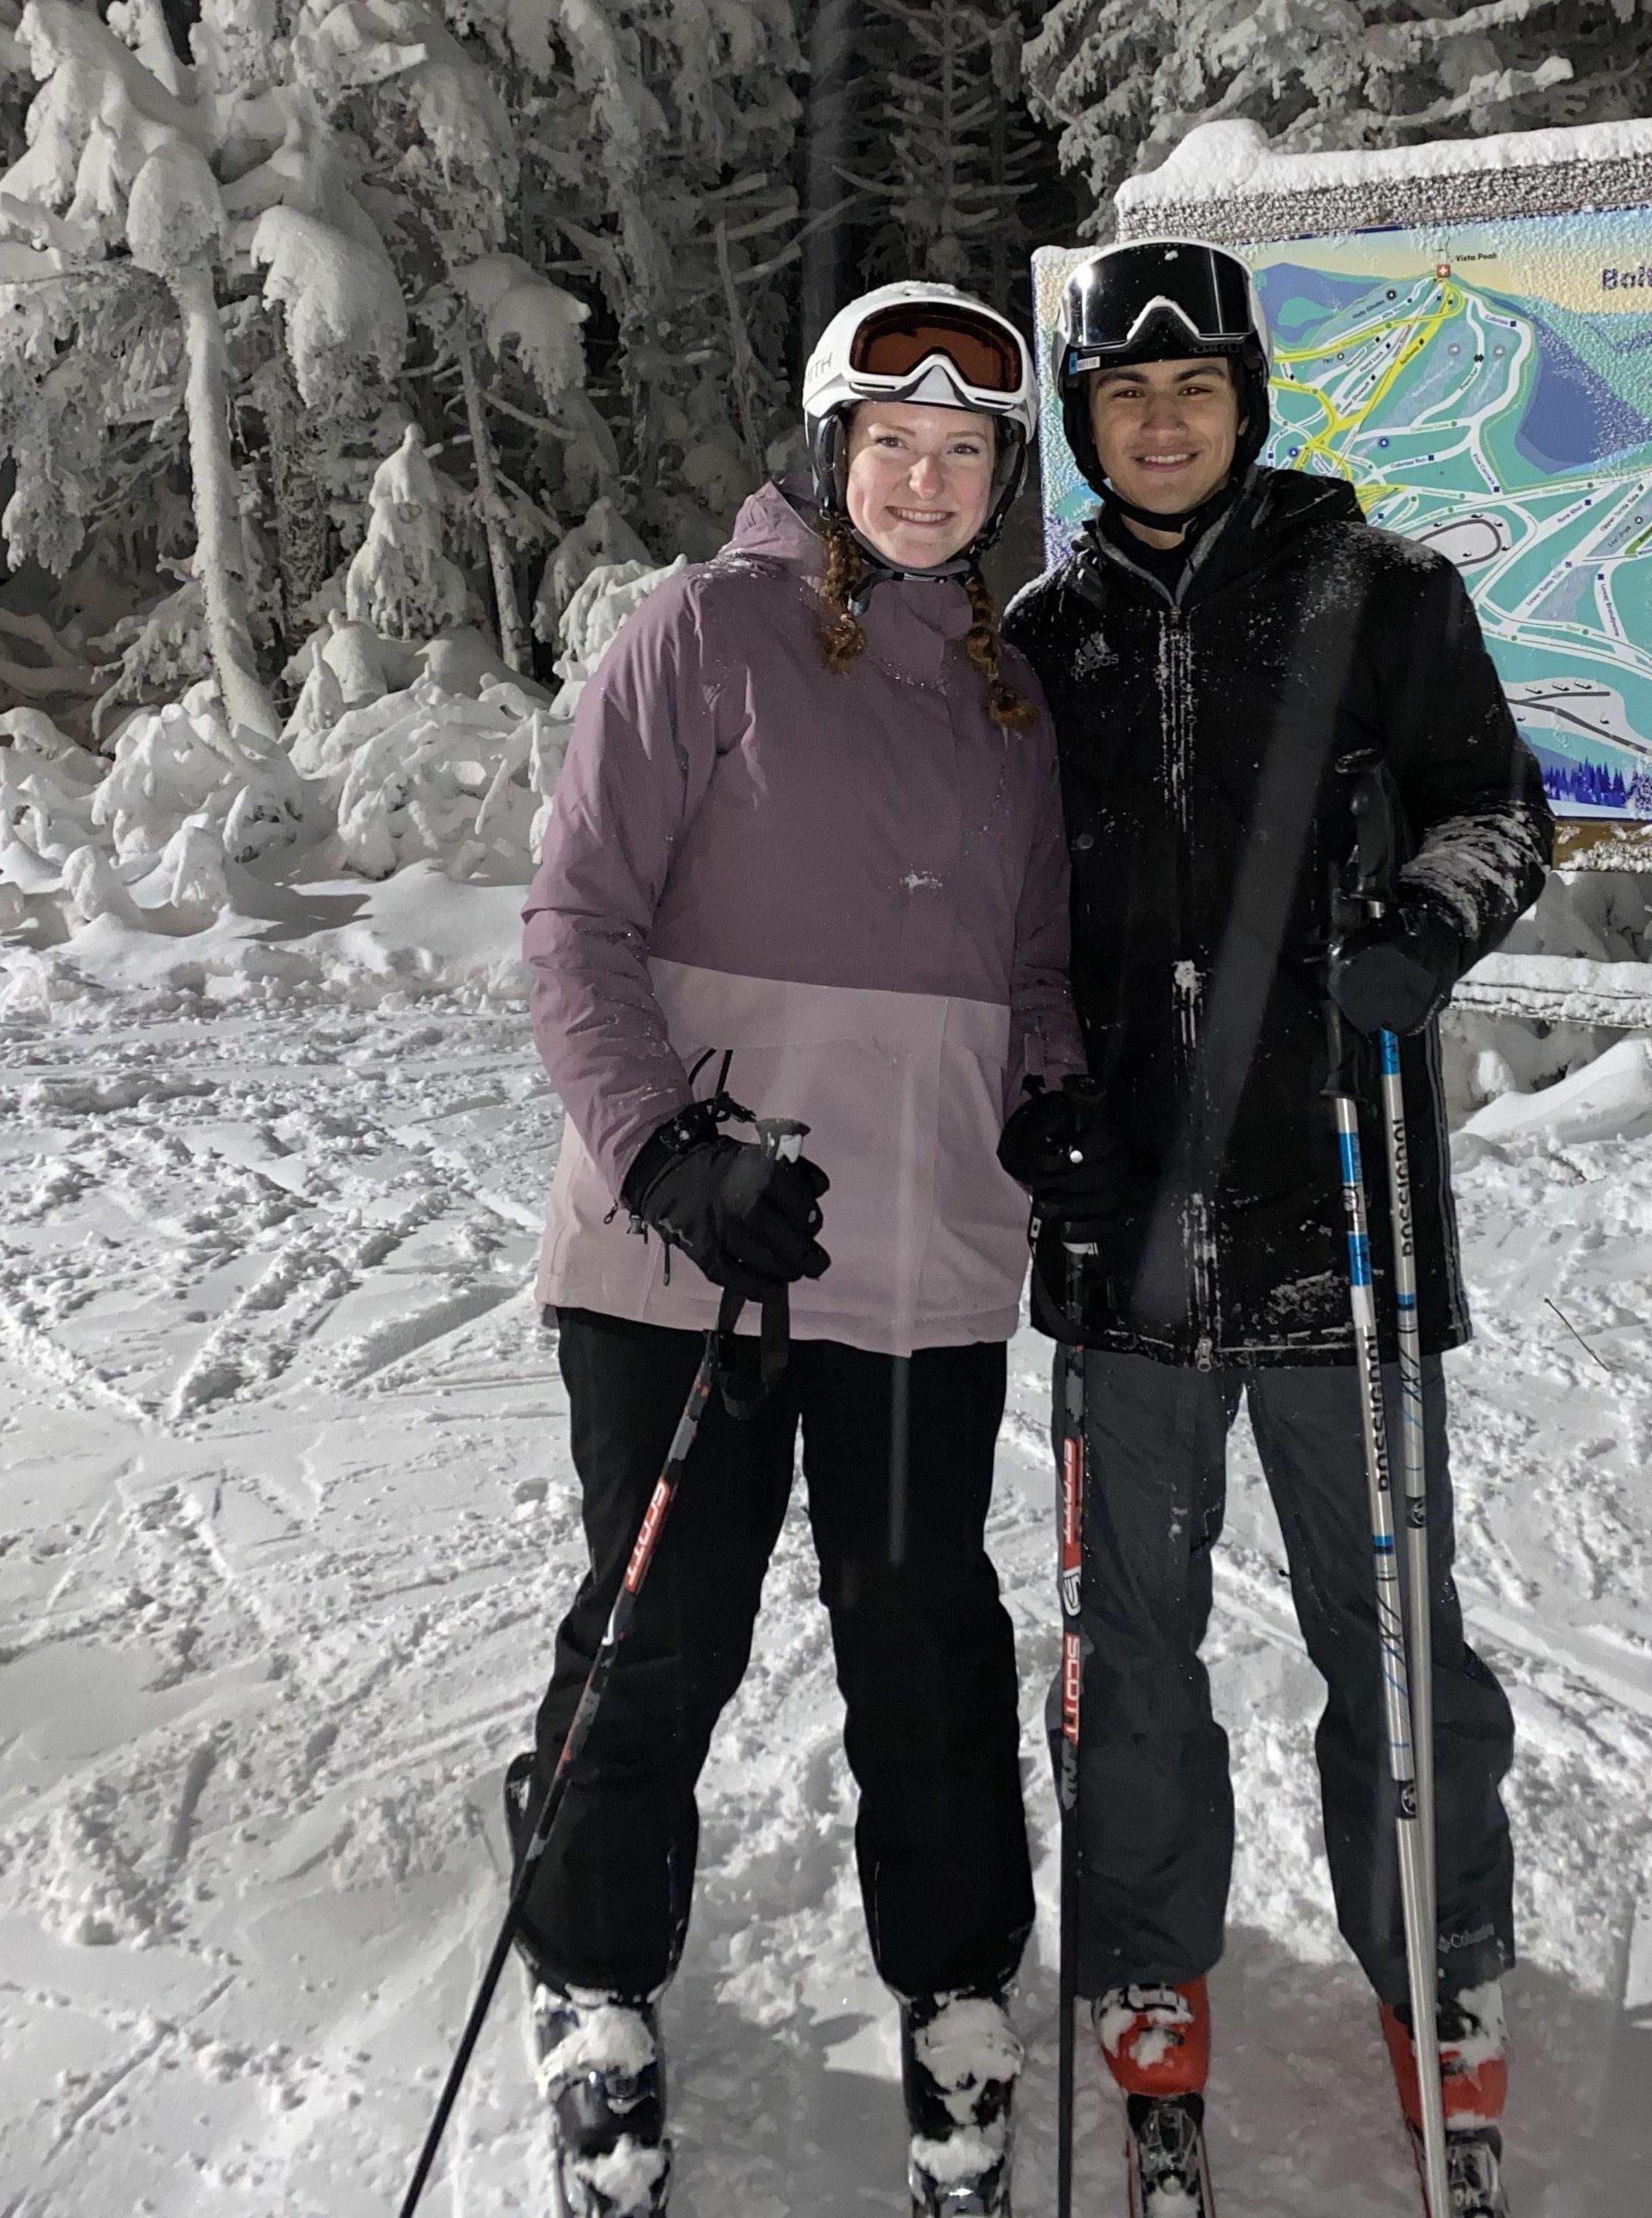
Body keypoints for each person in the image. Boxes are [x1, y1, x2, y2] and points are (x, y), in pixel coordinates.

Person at [513, 280, 1085, 2218]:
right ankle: (593, 1979)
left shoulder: (1010, 698)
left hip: (922, 1266)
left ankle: (953, 1996)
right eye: (893, 444)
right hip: (693, 1255)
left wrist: (1057, 1097)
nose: (926, 479)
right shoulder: (702, 635)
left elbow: (1025, 974)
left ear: (1001, 481)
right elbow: (575, 923)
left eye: (964, 453)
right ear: (832, 454)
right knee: (661, 1630)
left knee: (927, 1644)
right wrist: (665, 1150)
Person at [997, 241, 1554, 2218]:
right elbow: (996, 938)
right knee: (1127, 1649)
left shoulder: (1375, 592)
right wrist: (1027, 1107)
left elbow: (1499, 812)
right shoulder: (1037, 642)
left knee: (1393, 1638)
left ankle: (1439, 1967)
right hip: (1121, 1245)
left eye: (1196, 390)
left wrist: (1423, 928)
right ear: (1085, 425)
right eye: (1127, 398)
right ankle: (1152, 1972)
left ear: (1244, 402)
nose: (1162, 420)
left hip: (1339, 1211)